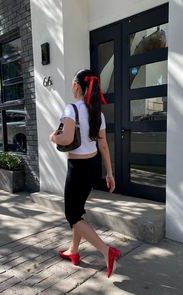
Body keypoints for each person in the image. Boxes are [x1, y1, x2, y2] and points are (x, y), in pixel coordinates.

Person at [49, 69, 120, 278]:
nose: (72, 86)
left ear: (78, 86)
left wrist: (53, 136)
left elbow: (66, 137)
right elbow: (104, 146)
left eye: (73, 82)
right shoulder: (98, 112)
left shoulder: (71, 109)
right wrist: (109, 173)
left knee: (71, 214)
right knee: (78, 209)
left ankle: (107, 251)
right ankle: (74, 251)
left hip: (78, 168)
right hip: (93, 167)